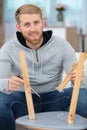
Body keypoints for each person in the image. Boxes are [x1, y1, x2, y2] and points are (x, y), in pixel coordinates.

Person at [0, 4, 87, 130]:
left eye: (36, 22)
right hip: (22, 100)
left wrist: (77, 79)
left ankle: (65, 126)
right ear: (18, 27)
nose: (33, 29)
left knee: (83, 96)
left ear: (43, 23)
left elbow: (81, 82)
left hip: (55, 98)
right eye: (27, 24)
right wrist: (8, 83)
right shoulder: (8, 49)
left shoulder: (62, 45)